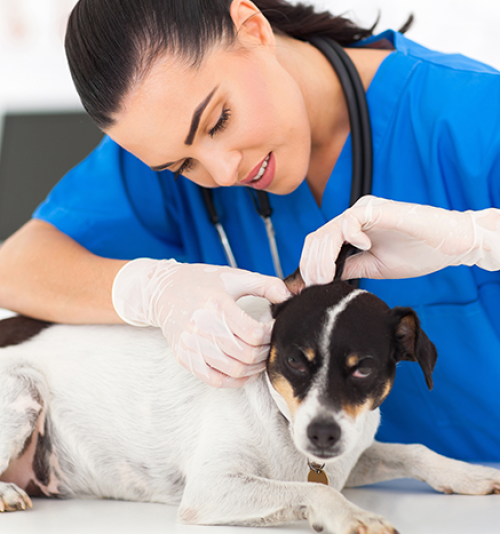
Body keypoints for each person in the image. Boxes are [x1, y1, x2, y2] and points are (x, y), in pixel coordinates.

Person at [0, 0, 498, 462]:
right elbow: (15, 267)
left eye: (220, 120)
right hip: (347, 501)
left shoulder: (471, 114)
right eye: (181, 164)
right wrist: (148, 290)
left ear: (253, 28)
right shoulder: (168, 151)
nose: (221, 173)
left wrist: (476, 236)